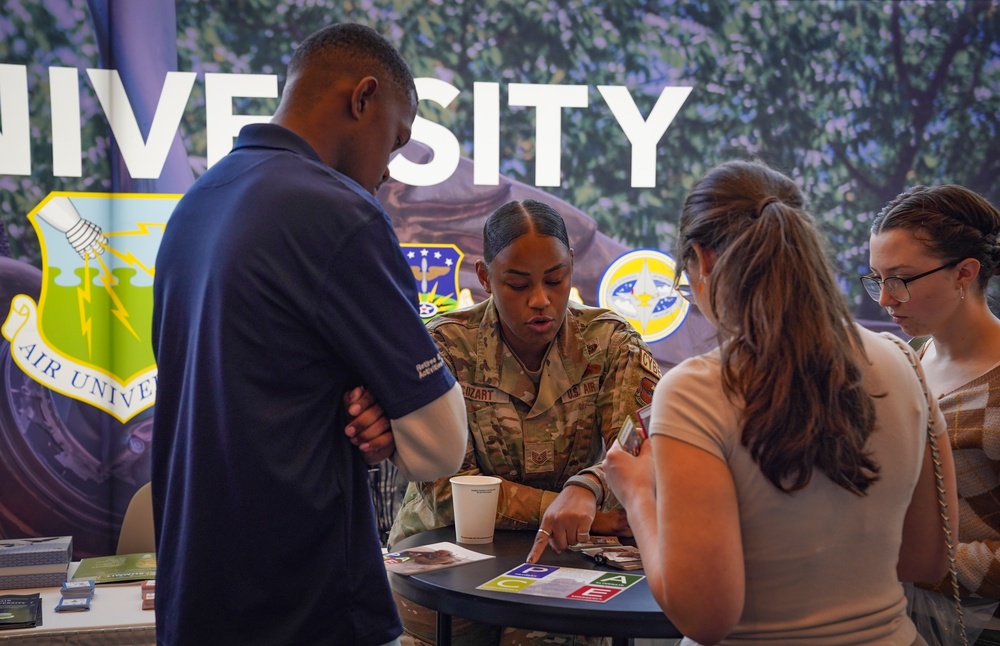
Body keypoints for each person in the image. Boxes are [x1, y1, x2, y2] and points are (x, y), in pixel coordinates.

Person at [151, 24, 467, 646]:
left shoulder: (196, 204)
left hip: (198, 601)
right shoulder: (335, 211)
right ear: (362, 99)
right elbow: (440, 443)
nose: (387, 174)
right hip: (303, 603)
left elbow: (249, 381)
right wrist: (388, 408)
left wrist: (359, 396)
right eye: (396, 141)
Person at [602, 159, 958, 645]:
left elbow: (705, 618)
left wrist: (637, 493)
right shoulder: (901, 360)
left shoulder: (695, 390)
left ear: (703, 261)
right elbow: (928, 558)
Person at [385, 199, 661, 645]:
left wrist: (587, 487)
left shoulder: (610, 343)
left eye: (556, 280)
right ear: (484, 277)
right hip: (443, 563)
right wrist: (571, 509)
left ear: (572, 266)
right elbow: (447, 490)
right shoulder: (445, 346)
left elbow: (642, 455)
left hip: (564, 560)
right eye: (516, 284)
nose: (540, 300)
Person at [868, 184, 1000, 645]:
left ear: (964, 272)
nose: (885, 299)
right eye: (876, 278)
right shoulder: (909, 359)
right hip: (898, 613)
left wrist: (916, 560)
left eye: (901, 279)